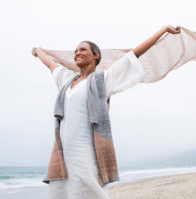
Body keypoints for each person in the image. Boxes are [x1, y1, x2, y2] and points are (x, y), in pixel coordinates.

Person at [32, 25, 180, 199]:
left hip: (85, 153)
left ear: (96, 55)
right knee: (62, 193)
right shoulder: (66, 81)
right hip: (62, 154)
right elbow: (51, 65)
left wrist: (163, 30)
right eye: (76, 50)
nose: (77, 53)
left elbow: (133, 54)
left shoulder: (103, 81)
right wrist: (38, 51)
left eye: (83, 49)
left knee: (90, 193)